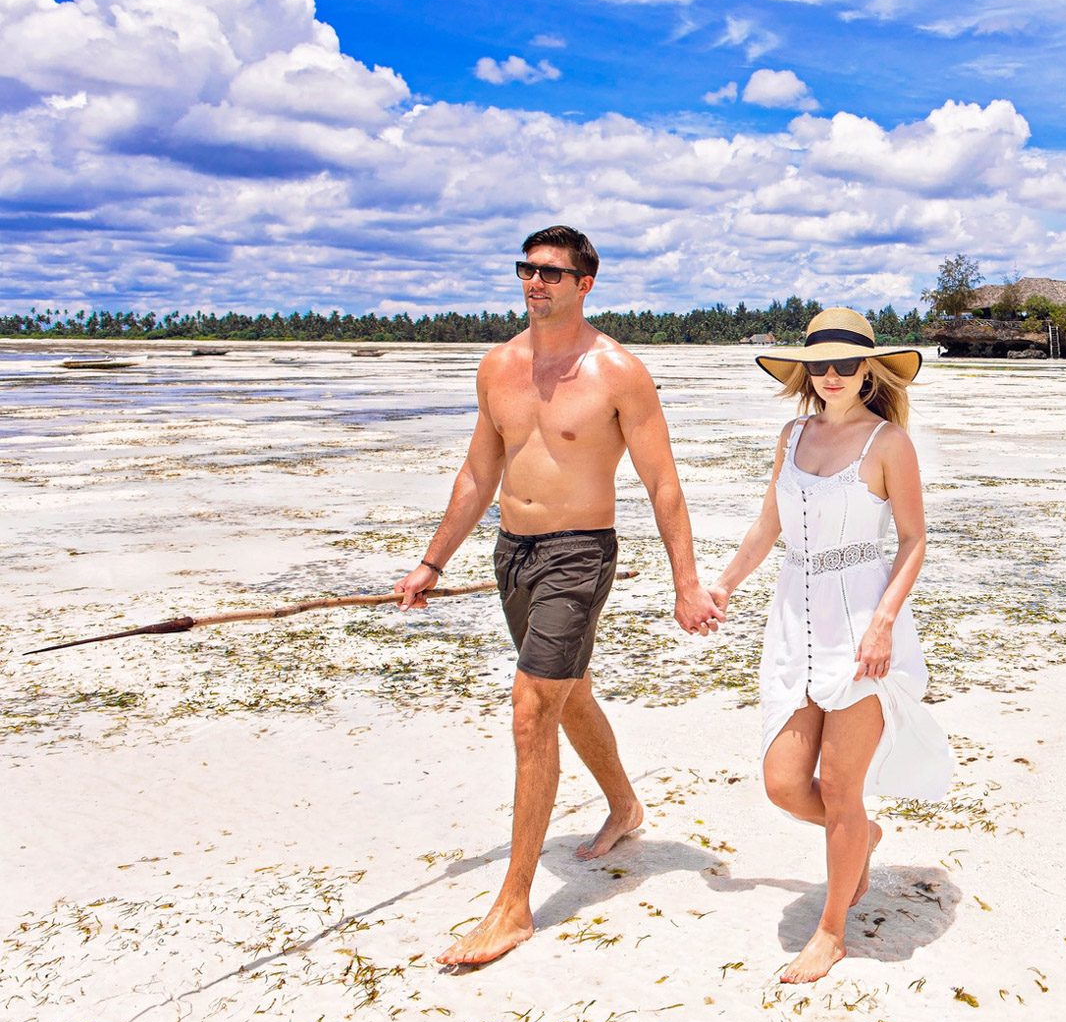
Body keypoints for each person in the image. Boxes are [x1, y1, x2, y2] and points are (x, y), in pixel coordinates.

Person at [393, 224, 722, 967]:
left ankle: (512, 906)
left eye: (551, 273)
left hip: (579, 553)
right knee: (567, 695)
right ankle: (626, 806)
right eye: (526, 270)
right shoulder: (498, 367)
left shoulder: (618, 372)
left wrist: (686, 581)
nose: (535, 283)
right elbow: (479, 474)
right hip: (513, 554)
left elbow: (662, 482)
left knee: (532, 705)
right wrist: (432, 562)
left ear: (584, 284)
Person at [708, 308, 953, 983]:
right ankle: (862, 839)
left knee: (843, 788)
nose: (834, 375)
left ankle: (832, 930)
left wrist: (882, 624)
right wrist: (724, 583)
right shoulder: (792, 435)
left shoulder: (888, 444)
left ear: (869, 368)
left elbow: (913, 539)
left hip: (861, 622)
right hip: (794, 615)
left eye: (847, 363)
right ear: (807, 370)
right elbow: (769, 525)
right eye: (821, 364)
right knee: (785, 782)